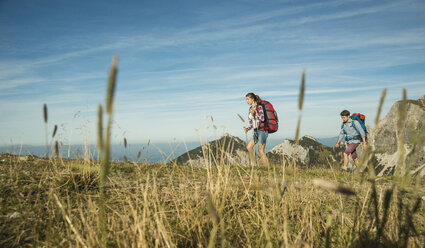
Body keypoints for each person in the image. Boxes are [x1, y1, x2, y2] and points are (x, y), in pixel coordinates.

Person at [243, 93, 269, 165]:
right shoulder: (250, 109)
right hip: (255, 132)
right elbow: (252, 124)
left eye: (248, 99)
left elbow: (262, 118)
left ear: (252, 99)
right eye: (246, 99)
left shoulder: (259, 107)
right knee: (249, 147)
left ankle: (267, 167)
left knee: (261, 150)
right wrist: (247, 129)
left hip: (262, 131)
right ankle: (256, 164)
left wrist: (256, 114)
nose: (247, 101)